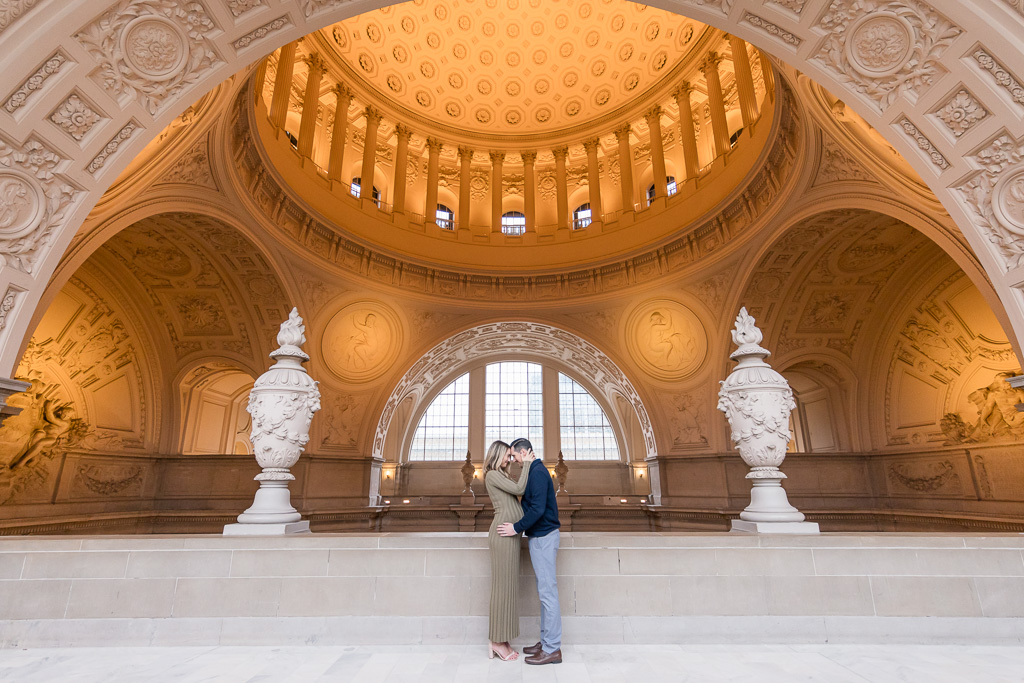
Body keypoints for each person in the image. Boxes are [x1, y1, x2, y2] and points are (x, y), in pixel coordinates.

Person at [498, 438, 562, 665]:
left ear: (525, 452)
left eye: (515, 456)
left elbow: (537, 509)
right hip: (541, 537)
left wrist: (515, 527)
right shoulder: (534, 470)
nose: (513, 460)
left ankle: (552, 648)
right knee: (545, 593)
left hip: (544, 537)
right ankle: (546, 643)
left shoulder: (536, 472)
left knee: (548, 594)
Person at [483, 439, 534, 661]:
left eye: (512, 456)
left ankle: (502, 638)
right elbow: (520, 489)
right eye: (507, 455)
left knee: (509, 588)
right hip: (502, 536)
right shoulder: (492, 474)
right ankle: (495, 641)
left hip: (511, 536)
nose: (510, 459)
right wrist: (528, 464)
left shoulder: (503, 475)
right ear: (496, 455)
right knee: (501, 588)